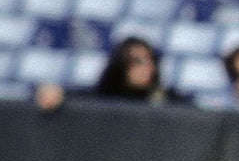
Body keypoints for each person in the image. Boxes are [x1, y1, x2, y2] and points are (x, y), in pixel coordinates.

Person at [35, 36, 191, 112]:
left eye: (150, 61)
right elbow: (70, 97)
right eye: (137, 62)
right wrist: (52, 92)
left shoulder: (165, 101)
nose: (147, 68)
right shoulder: (102, 98)